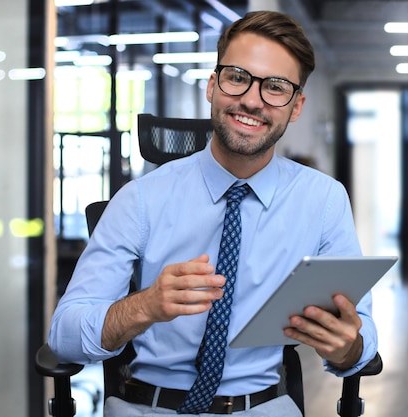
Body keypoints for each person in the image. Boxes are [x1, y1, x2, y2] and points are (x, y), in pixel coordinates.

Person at [48, 10, 377, 417]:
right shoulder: (140, 200)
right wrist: (145, 305)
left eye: (275, 87)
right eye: (238, 77)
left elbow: (361, 335)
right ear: (212, 85)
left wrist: (348, 348)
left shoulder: (323, 199)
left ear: (296, 107)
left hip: (264, 408)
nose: (252, 100)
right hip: (149, 407)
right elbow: (63, 336)